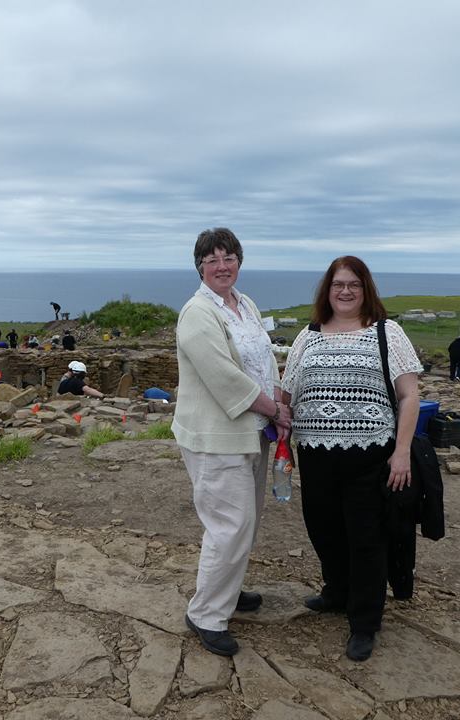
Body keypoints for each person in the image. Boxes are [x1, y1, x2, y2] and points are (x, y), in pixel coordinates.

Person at [281, 255, 422, 662]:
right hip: (316, 453)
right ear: (327, 290)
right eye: (338, 284)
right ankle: (337, 592)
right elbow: (287, 394)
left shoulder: (386, 333)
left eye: (354, 285)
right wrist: (283, 427)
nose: (345, 291)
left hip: (371, 454)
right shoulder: (308, 336)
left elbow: (410, 395)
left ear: (366, 291)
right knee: (323, 528)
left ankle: (364, 622)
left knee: (366, 537)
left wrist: (401, 454)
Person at [172, 228, 291, 657]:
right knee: (230, 524)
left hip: (251, 432)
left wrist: (278, 402)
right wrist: (275, 410)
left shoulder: (245, 304)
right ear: (199, 267)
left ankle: (228, 590)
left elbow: (263, 361)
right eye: (212, 260)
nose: (222, 266)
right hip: (215, 437)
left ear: (239, 260)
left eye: (229, 257)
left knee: (247, 520)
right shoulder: (197, 313)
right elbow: (225, 378)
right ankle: (206, 614)